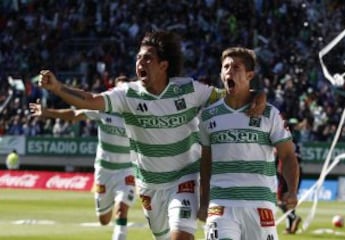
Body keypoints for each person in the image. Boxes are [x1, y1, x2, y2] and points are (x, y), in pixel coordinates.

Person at [37, 31, 266, 240]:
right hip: (149, 185)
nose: (140, 63)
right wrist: (58, 88)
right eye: (138, 58)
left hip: (184, 178)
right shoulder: (127, 94)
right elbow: (90, 100)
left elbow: (231, 96)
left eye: (147, 58)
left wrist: (257, 95)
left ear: (164, 65)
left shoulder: (188, 90)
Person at [197, 47, 299, 239]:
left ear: (250, 74)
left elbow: (287, 155)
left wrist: (292, 191)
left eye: (236, 67)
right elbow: (205, 162)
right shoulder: (208, 116)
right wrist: (204, 202)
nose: (229, 71)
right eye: (226, 67)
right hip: (221, 203)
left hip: (260, 203)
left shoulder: (269, 114)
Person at [29, 76, 135, 240]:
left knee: (122, 209)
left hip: (126, 170)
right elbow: (74, 114)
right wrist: (47, 112)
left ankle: (120, 231)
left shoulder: (138, 114)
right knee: (104, 219)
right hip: (104, 170)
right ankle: (112, 203)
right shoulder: (103, 108)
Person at [276, 118, 302, 234]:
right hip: (296, 173)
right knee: (289, 199)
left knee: (279, 201)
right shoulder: (296, 142)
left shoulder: (282, 140)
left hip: (284, 172)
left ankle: (293, 218)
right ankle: (290, 228)